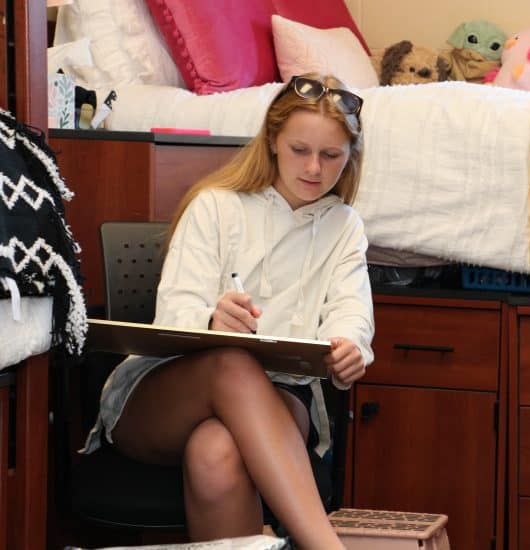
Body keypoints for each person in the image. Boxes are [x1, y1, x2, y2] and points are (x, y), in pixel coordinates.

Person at [82, 73, 374, 548]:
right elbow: (173, 315)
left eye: (331, 155)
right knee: (233, 363)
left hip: (283, 397)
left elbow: (350, 313)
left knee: (216, 450)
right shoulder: (215, 205)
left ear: (350, 157)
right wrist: (212, 320)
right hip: (165, 392)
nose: (315, 169)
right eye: (300, 150)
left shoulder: (344, 226)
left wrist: (349, 348)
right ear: (273, 142)